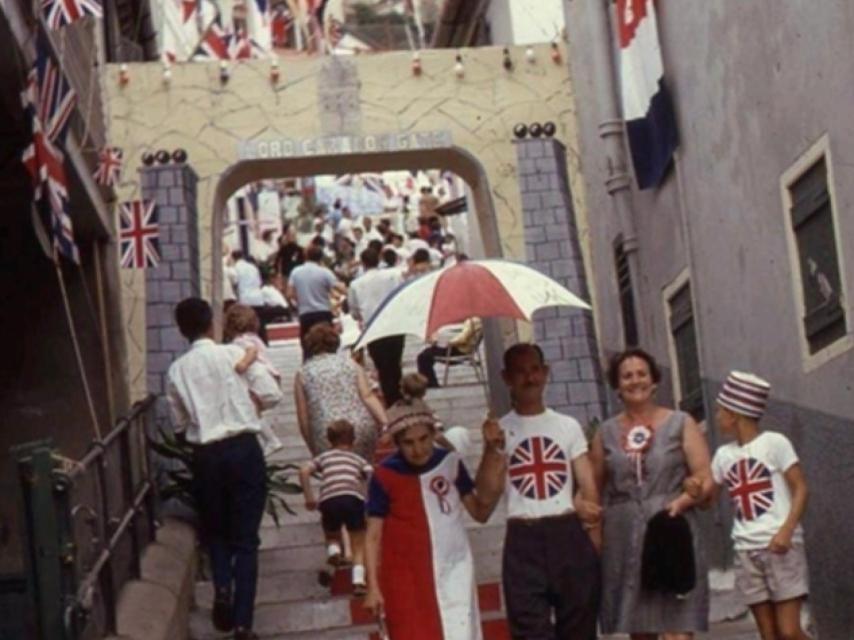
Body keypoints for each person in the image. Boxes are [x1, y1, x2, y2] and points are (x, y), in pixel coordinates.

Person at [166, 298, 283, 640]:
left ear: (182, 330)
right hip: (244, 449)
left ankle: (222, 589)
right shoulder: (235, 355)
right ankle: (244, 624)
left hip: (206, 456)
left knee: (216, 531)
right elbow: (272, 394)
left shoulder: (177, 370)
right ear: (210, 324)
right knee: (246, 539)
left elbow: (179, 423)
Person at [590, 347, 712, 639]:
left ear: (654, 380)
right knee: (640, 631)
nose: (635, 381)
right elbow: (591, 490)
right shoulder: (605, 433)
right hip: (624, 536)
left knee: (677, 631)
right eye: (627, 376)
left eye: (641, 374)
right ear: (617, 386)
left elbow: (705, 477)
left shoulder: (681, 422)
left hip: (670, 530)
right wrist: (594, 535)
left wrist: (687, 497)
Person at [363, 399, 506, 640]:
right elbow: (373, 535)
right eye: (408, 442)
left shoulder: (449, 462)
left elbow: (480, 513)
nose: (418, 449)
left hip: (453, 567)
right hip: (405, 576)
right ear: (397, 443)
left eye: (423, 439)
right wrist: (373, 587)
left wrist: (492, 454)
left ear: (433, 435)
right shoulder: (385, 475)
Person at [496, 343, 602, 639]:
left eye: (534, 370)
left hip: (566, 531)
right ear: (506, 378)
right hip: (522, 537)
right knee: (529, 630)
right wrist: (493, 449)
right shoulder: (500, 430)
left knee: (579, 625)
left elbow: (588, 485)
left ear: (546, 372)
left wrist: (594, 542)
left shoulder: (567, 426)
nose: (529, 379)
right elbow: (484, 499)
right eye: (520, 372)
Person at [709, 372, 811, 640]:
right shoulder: (723, 456)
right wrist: (695, 488)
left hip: (780, 546)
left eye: (721, 411)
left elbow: (800, 488)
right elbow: (709, 494)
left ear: (735, 414)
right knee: (769, 634)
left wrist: (787, 531)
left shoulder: (775, 443)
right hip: (745, 549)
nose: (717, 416)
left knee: (789, 632)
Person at [299, 420, 373, 596]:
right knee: (358, 544)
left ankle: (334, 551)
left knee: (332, 534)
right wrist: (368, 498)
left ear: (329, 441)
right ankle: (358, 581)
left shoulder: (324, 457)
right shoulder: (358, 459)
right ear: (354, 441)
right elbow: (371, 473)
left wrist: (309, 497)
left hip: (329, 500)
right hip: (353, 499)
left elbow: (303, 470)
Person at [294, 322, 387, 460]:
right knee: (362, 468)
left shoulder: (303, 373)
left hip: (326, 430)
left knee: (336, 473)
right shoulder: (351, 364)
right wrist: (385, 422)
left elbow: (303, 417)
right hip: (360, 426)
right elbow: (367, 396)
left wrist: (312, 446)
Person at [224, 304, 284, 457]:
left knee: (250, 412)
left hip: (260, 382)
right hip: (270, 381)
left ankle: (271, 440)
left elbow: (252, 351)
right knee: (254, 412)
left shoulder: (240, 340)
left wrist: (243, 363)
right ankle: (267, 437)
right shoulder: (255, 338)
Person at [348, 248, 405, 406]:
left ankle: (390, 397)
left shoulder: (356, 284)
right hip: (394, 324)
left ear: (363, 263)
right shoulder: (394, 275)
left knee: (382, 365)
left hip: (373, 327)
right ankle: (397, 394)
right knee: (395, 362)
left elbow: (354, 311)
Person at [287, 244, 347, 355]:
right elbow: (341, 289)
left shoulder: (296, 272)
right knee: (327, 345)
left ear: (306, 256)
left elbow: (289, 293)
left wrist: (299, 300)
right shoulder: (325, 272)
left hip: (305, 313)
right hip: (323, 313)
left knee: (308, 346)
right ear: (320, 257)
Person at [416, 317, 482, 388]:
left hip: (457, 351)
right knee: (427, 353)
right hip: (459, 349)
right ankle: (430, 381)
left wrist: (447, 342)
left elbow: (462, 339)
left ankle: (430, 383)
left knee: (423, 356)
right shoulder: (475, 321)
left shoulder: (473, 321)